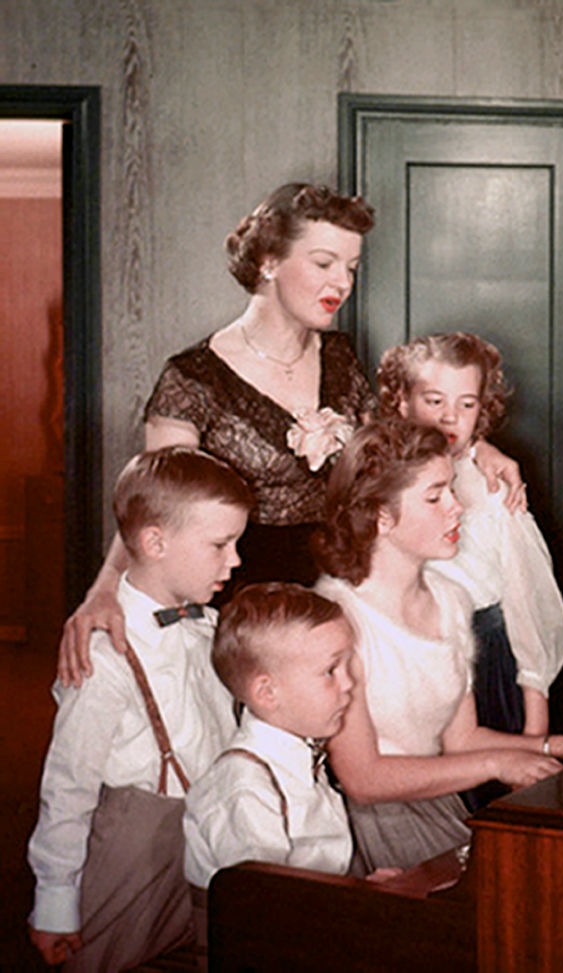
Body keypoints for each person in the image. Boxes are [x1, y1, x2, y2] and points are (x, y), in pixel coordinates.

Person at [58, 182, 524, 686]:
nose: (342, 283)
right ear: (269, 261)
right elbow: (154, 509)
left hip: (342, 591)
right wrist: (104, 590)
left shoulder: (342, 357)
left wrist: (477, 447)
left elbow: (390, 453)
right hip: (243, 611)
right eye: (325, 263)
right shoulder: (191, 379)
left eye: (351, 267)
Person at [311, 419, 563, 872]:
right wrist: (498, 765)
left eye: (452, 489)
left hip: (439, 810)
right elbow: (362, 778)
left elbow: (461, 739)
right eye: (435, 497)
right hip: (366, 833)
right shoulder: (339, 614)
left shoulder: (449, 600)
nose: (458, 508)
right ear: (381, 517)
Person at [27, 446, 251, 970]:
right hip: (129, 854)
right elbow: (68, 783)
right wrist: (55, 901)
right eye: (221, 544)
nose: (235, 560)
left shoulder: (207, 625)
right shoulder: (104, 658)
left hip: (199, 844)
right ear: (154, 543)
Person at [376, 332, 563, 741]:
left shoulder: (492, 487)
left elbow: (526, 609)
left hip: (485, 663)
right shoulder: (377, 475)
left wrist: (536, 726)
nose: (450, 417)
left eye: (467, 404)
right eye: (434, 401)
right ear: (402, 401)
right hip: (405, 661)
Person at [184, 582, 357, 891]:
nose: (348, 683)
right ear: (267, 693)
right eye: (331, 670)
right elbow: (266, 906)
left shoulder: (300, 752)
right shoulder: (246, 788)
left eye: (348, 665)